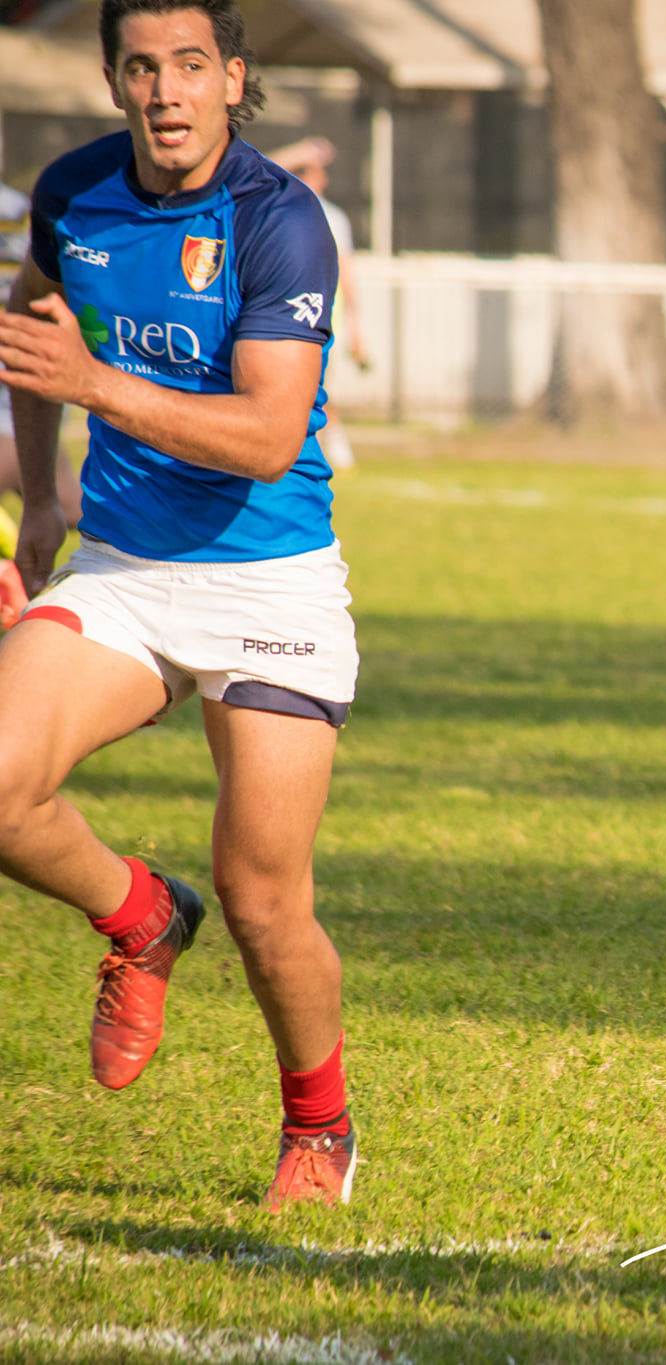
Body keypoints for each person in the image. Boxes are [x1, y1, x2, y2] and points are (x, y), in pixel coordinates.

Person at [0, 0, 361, 1209]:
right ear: (113, 81)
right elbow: (30, 319)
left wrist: (95, 380)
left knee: (266, 902)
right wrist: (41, 499)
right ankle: (142, 914)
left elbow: (267, 435)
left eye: (190, 67)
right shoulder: (74, 192)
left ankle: (320, 1124)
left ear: (233, 80)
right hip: (123, 575)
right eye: (142, 67)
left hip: (271, 584)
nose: (166, 91)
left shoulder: (279, 222)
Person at [267, 136, 367, 471]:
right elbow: (257, 170)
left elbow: (347, 273)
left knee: (322, 386)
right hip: (281, 317)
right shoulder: (277, 207)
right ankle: (319, 444)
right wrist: (297, 152)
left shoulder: (334, 217)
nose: (317, 178)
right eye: (307, 171)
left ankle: (330, 443)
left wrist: (356, 329)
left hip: (325, 318)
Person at [0, 181, 84, 552]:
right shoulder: (19, 205)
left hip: (18, 382)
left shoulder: (20, 209)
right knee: (69, 503)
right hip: (25, 380)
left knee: (69, 503)